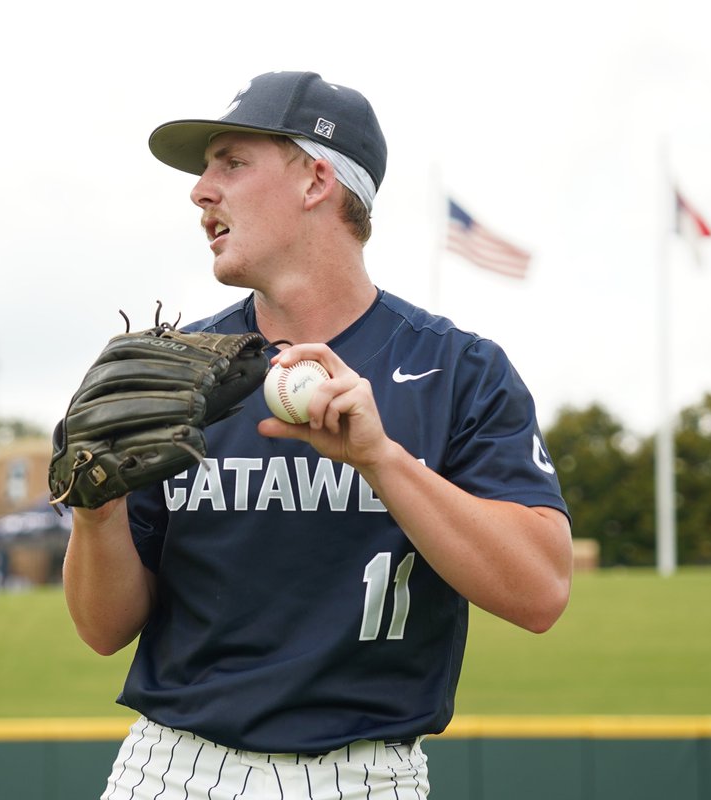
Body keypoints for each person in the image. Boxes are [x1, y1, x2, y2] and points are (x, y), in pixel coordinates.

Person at [62, 71, 573, 799]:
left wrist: (380, 459)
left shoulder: (458, 369)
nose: (201, 189)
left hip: (369, 776)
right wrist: (97, 510)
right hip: (175, 768)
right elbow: (101, 628)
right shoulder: (173, 373)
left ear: (316, 182)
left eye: (231, 163)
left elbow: (541, 593)